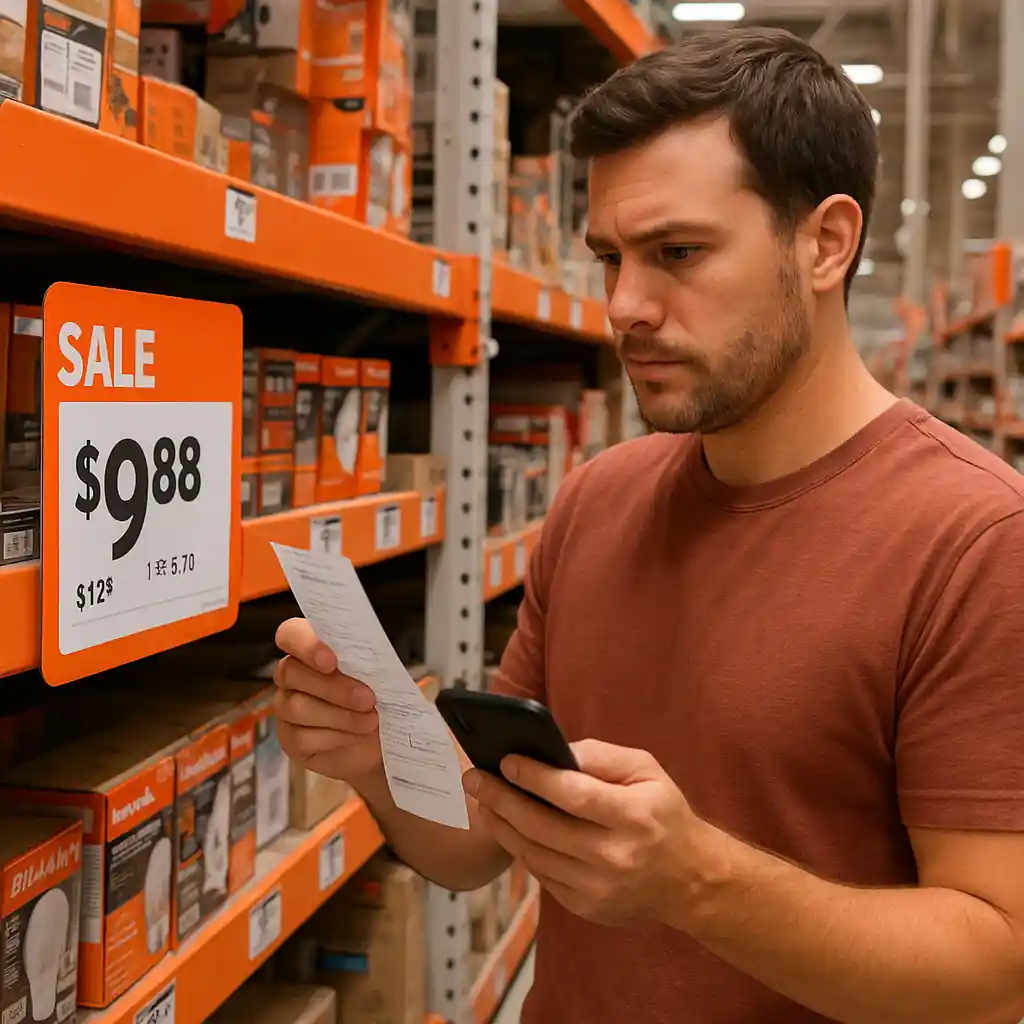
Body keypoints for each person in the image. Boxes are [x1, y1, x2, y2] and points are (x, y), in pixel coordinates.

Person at [273, 26, 1024, 1024]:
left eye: (678, 252)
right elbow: (476, 842)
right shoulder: (596, 501)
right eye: (609, 258)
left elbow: (998, 960)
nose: (623, 305)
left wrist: (696, 881)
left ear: (825, 242)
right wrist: (374, 754)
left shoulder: (974, 540)